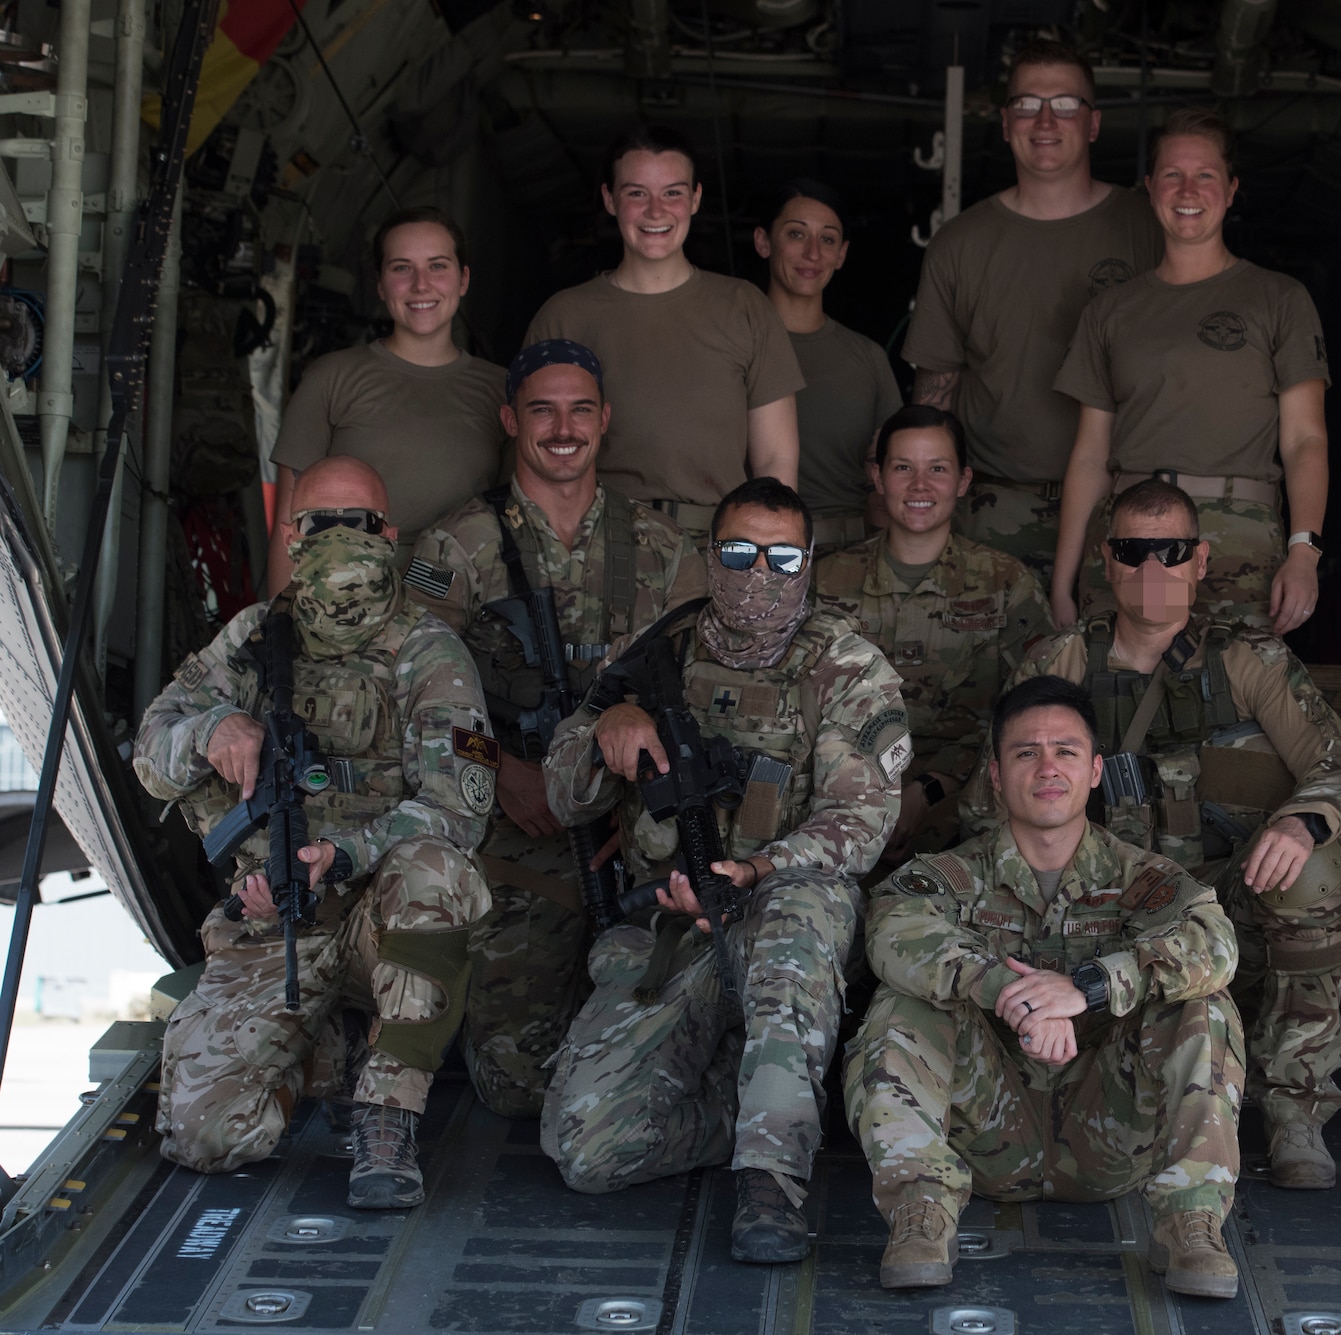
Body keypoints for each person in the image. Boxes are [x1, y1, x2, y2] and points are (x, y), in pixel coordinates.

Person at [537, 477, 909, 1267]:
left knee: (804, 915)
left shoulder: (846, 667)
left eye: (781, 557)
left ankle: (771, 1182)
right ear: (712, 556)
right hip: (672, 923)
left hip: (781, 908)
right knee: (586, 1151)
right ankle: (763, 1108)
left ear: (810, 562)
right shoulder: (650, 654)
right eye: (740, 554)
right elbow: (564, 796)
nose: (759, 575)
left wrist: (759, 865)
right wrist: (608, 723)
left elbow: (861, 819)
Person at [960, 479, 1341, 1190]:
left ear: (1201, 561)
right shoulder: (1061, 661)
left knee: (1319, 870)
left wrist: (1301, 824)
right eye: (1134, 550)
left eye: (1172, 550)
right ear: (1106, 561)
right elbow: (987, 802)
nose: (1154, 568)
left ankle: (1294, 1103)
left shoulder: (1248, 661)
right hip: (1105, 914)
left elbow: (1339, 764)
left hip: (1225, 901)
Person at [132, 457, 496, 1210]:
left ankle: (387, 1116)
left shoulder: (427, 650)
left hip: (377, 920)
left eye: (355, 523)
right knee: (205, 1135)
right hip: (274, 924)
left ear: (388, 535)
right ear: (293, 537)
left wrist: (348, 853)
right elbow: (148, 753)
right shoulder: (254, 639)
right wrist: (212, 728)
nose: (337, 540)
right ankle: (318, 1061)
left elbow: (461, 809)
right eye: (319, 524)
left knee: (440, 875)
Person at [845, 675, 1245, 1297]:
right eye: (1026, 752)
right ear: (997, 776)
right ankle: (920, 1211)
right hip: (985, 1128)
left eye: (1066, 751)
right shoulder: (950, 876)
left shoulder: (1144, 878)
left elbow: (1215, 946)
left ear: (1095, 772)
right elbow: (895, 933)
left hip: (1111, 1130)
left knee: (1203, 1006)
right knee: (904, 1000)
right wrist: (1011, 989)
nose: (1047, 767)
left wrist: (1086, 986)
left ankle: (1190, 1219)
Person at [401, 340, 708, 1119]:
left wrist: (632, 809)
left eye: (580, 410)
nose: (562, 428)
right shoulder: (452, 548)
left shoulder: (664, 551)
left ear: (605, 421)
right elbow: (407, 689)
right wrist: (499, 767)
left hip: (628, 834)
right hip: (514, 836)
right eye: (542, 409)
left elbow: (700, 696)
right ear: (511, 419)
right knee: (514, 1085)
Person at [1052, 108, 1329, 632]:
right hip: (1129, 537)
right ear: (1151, 186)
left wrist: (1304, 552)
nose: (1188, 189)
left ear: (1230, 190)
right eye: (1173, 175)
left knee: (1235, 700)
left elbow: (1304, 439)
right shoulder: (1110, 311)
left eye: (1205, 175)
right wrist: (1063, 583)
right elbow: (1090, 456)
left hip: (1236, 537)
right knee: (1116, 700)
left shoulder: (1280, 299)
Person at [904, 38, 1161, 578]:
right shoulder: (960, 243)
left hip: (1121, 507)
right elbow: (936, 395)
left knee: (1114, 662)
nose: (1045, 120)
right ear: (1004, 121)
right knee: (981, 663)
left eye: (1066, 104)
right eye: (1027, 104)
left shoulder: (1149, 229)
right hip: (993, 509)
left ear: (1092, 124)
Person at [525, 124, 803, 535]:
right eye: (637, 193)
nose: (656, 211)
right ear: (609, 199)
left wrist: (769, 557)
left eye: (672, 192)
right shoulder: (565, 316)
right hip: (593, 543)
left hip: (713, 544)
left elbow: (775, 461)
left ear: (695, 199)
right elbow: (529, 457)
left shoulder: (745, 308)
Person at [813, 405, 1052, 865]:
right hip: (842, 793)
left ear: (963, 481)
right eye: (903, 468)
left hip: (967, 798)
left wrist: (928, 790)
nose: (920, 486)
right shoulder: (827, 582)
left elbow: (1037, 708)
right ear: (878, 478)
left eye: (937, 469)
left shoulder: (1005, 582)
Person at [268, 207, 506, 588]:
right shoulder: (331, 378)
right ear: (379, 284)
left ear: (463, 279)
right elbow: (289, 525)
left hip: (463, 609)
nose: (421, 284)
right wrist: (279, 625)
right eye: (401, 267)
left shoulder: (501, 390)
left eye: (438, 266)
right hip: (346, 605)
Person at [754, 178, 903, 550]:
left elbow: (894, 468)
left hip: (853, 553)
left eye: (828, 239)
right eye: (796, 234)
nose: (813, 253)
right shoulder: (733, 345)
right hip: (756, 551)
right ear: (763, 241)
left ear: (842, 254)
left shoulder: (867, 357)